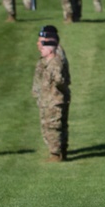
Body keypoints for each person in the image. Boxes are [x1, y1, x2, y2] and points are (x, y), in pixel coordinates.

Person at [32, 29, 71, 162]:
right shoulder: (47, 60)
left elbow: (60, 80)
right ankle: (59, 152)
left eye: (42, 43)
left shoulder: (55, 60)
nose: (39, 46)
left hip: (54, 99)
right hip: (49, 99)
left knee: (53, 126)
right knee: (53, 126)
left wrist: (56, 89)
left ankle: (56, 154)